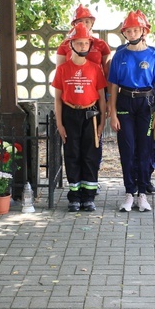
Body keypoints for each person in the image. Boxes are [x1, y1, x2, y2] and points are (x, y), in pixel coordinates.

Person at [108, 10, 155, 212]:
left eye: (135, 30)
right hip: (125, 103)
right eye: (128, 31)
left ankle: (142, 193)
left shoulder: (153, 55)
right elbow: (113, 86)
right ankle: (129, 193)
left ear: (143, 30)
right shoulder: (119, 55)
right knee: (128, 149)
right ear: (124, 33)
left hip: (146, 104)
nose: (132, 34)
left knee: (144, 149)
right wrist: (112, 113)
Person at [52, 23, 107, 212]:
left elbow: (101, 97)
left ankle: (88, 196)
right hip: (69, 114)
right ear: (71, 45)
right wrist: (60, 123)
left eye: (86, 43)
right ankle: (74, 196)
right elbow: (58, 99)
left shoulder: (95, 69)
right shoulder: (62, 69)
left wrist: (102, 122)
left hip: (91, 115)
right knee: (72, 154)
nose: (83, 46)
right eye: (79, 43)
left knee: (90, 155)